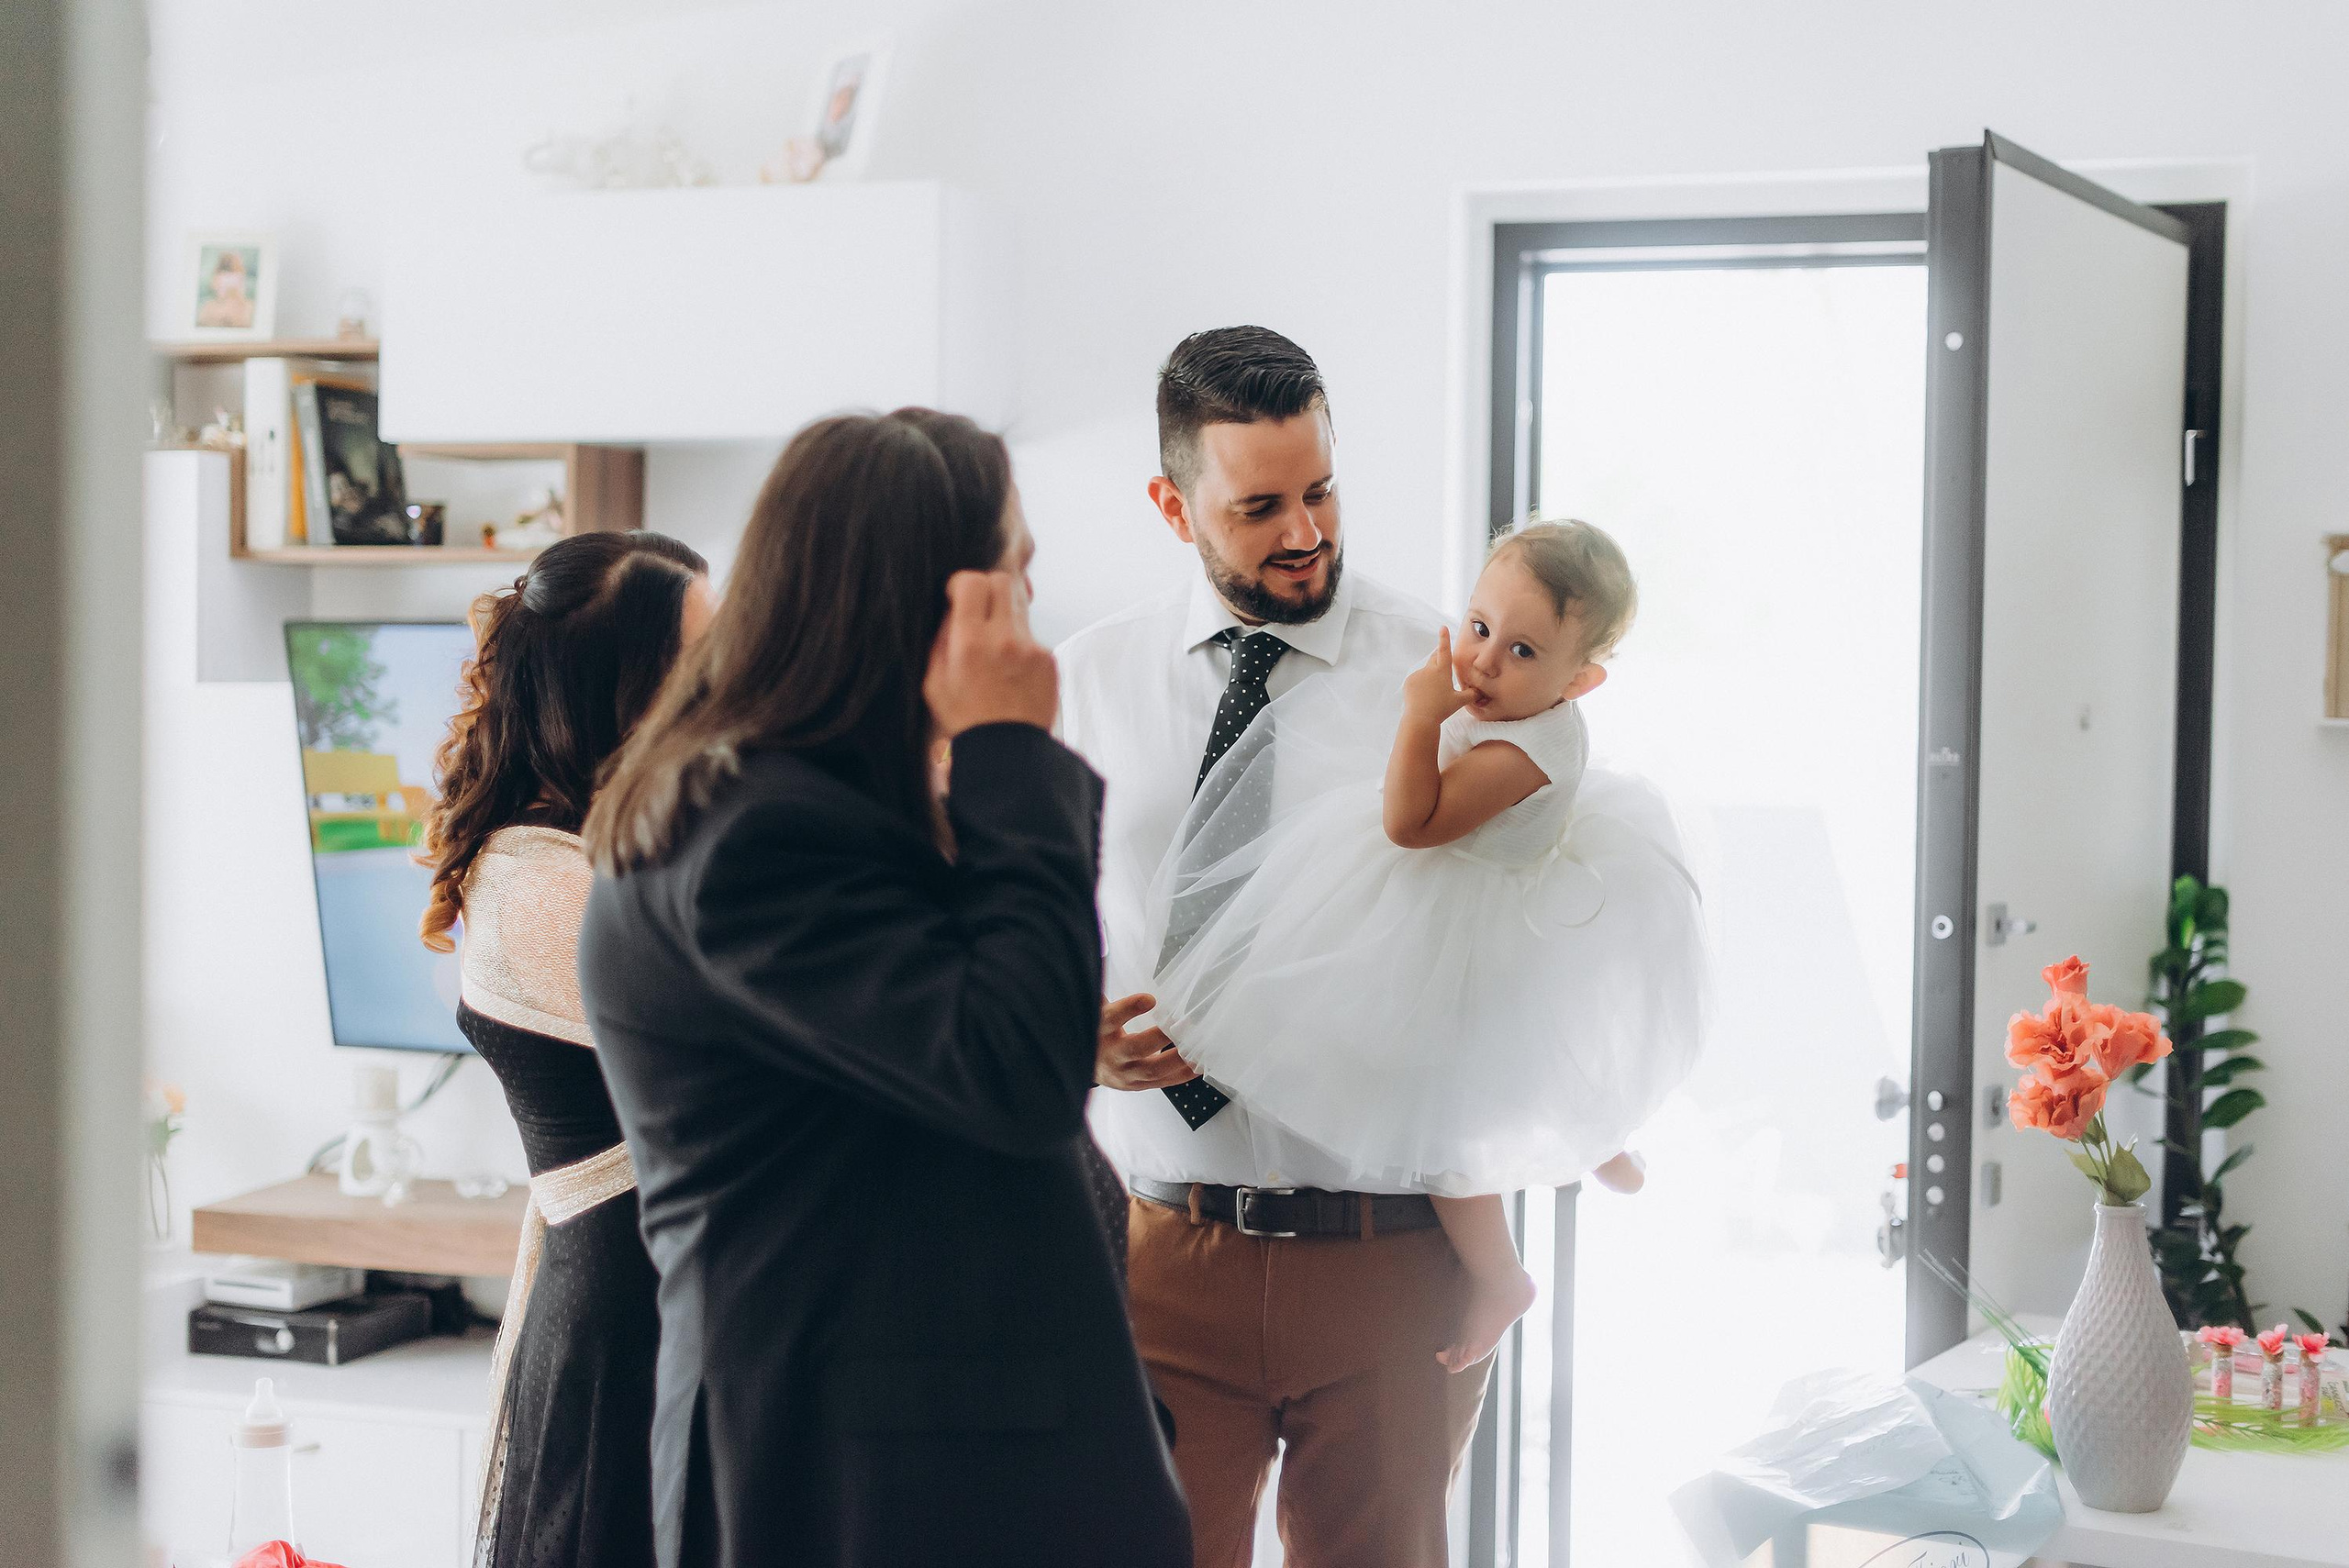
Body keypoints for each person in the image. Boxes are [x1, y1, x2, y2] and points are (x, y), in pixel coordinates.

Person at [577, 409, 1190, 1568]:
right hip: (869, 1487)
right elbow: (1015, 1072)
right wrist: (1013, 746)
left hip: (933, 1463)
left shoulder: (802, 804)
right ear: (939, 602)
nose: (1027, 612)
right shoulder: (755, 834)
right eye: (1014, 573)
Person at [1063, 326, 1480, 1568]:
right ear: (1170, 501)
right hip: (1158, 1258)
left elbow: (1511, 940)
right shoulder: (1085, 685)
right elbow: (1002, 931)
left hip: (1390, 1254)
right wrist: (1064, 1038)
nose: (1305, 532)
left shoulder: (1446, 675)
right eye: (1259, 507)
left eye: (1322, 490)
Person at [1143, 520, 1707, 1375]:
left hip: (1468, 908)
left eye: (1520, 651)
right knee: (1531, 1058)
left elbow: (1411, 822)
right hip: (1498, 893)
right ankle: (1598, 1139)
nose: (1482, 662)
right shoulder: (1518, 710)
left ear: (1580, 680)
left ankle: (1502, 1274)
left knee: (1441, 1124)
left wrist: (1418, 715)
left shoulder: (1527, 744)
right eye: (1478, 628)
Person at [417, 528, 716, 1568]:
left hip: (691, 1314)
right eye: (700, 658)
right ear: (620, 690)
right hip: (626, 1330)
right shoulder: (538, 883)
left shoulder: (644, 849)